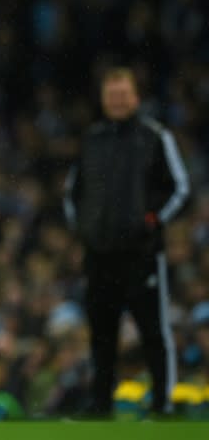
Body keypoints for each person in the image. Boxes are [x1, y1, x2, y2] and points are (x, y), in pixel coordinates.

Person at [63, 67, 190, 417]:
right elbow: (73, 192)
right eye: (111, 95)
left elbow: (180, 187)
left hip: (142, 253)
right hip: (99, 253)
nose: (117, 100)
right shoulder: (92, 140)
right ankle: (101, 404)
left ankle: (162, 404)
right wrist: (85, 230)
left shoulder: (154, 136)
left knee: (153, 331)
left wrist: (151, 220)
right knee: (101, 334)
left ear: (136, 97)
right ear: (103, 99)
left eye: (123, 94)